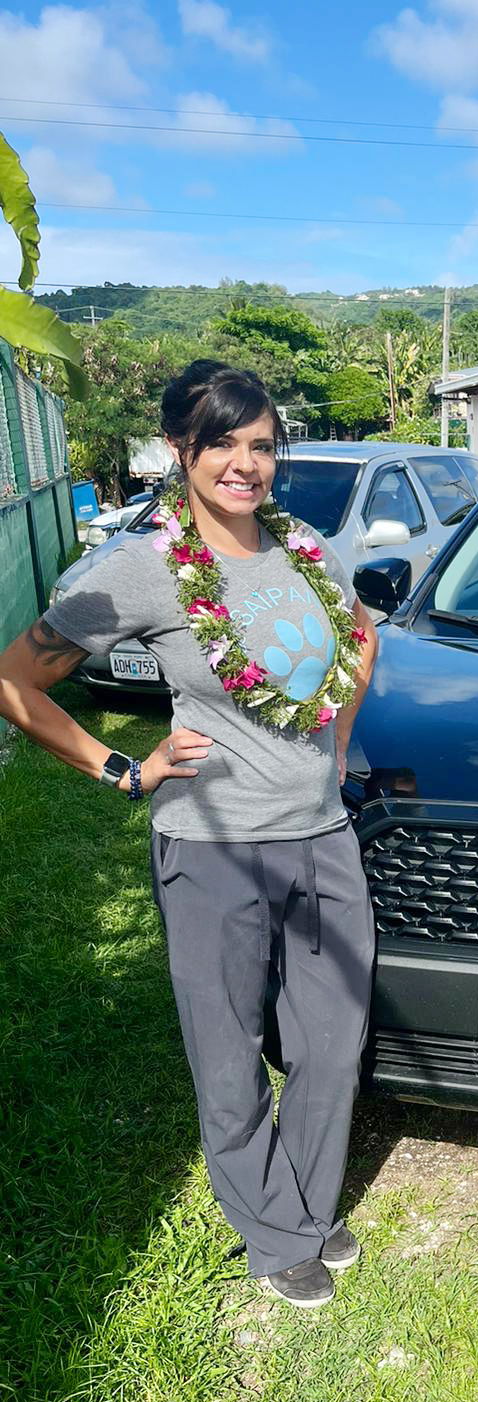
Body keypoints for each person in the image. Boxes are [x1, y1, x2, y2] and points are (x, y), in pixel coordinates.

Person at [0, 360, 379, 1310]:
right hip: (213, 844)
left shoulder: (305, 550)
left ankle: (301, 1198)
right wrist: (123, 767)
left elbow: (362, 638)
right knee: (228, 1043)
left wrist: (336, 749)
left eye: (261, 445)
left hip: (321, 831)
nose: (245, 465)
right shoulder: (149, 566)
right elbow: (16, 680)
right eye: (223, 443)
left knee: (331, 1038)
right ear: (182, 449)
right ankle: (276, 1230)